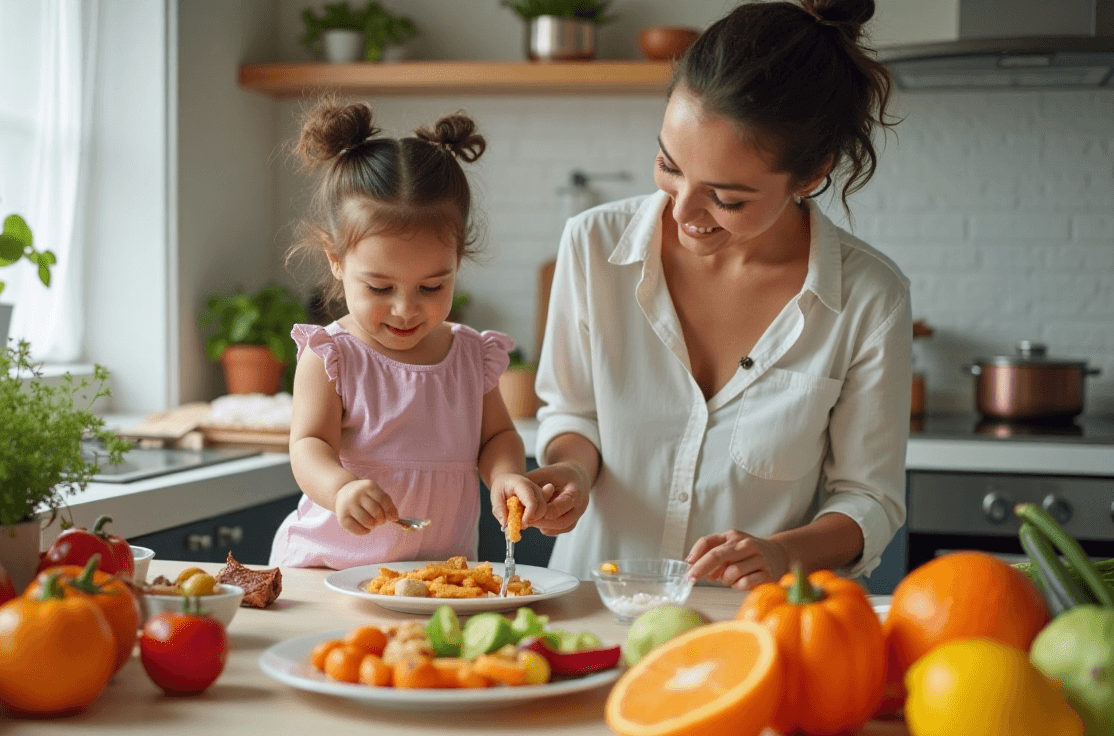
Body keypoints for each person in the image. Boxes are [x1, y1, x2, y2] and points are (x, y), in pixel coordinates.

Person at [524, 0, 912, 588]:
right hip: (595, 608)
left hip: (754, 630)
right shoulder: (593, 246)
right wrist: (570, 472)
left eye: (726, 199)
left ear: (809, 177)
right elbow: (574, 411)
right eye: (667, 164)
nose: (681, 211)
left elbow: (869, 500)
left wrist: (783, 553)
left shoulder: (868, 298)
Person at [269, 99, 547, 570]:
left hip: (437, 576)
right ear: (335, 259)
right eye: (380, 286)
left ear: (458, 260)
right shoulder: (332, 354)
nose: (405, 309)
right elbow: (308, 445)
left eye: (432, 286)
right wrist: (340, 489)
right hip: (328, 568)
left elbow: (497, 435)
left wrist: (505, 476)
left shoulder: (469, 356)